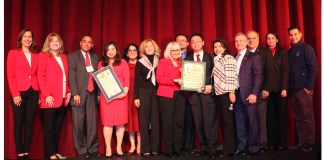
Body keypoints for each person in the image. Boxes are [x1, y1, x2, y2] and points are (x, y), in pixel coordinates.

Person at [7, 28, 39, 160]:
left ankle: (26, 151)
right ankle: (20, 152)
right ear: (20, 39)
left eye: (30, 37)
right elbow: (10, 75)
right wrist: (15, 94)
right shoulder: (13, 53)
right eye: (25, 36)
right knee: (19, 122)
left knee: (30, 123)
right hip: (18, 92)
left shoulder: (36, 55)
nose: (28, 39)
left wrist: (40, 95)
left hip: (33, 92)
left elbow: (37, 75)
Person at [37, 33, 71, 159]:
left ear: (60, 43)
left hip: (62, 97)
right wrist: (47, 95)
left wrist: (68, 91)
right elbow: (41, 76)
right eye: (52, 41)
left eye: (57, 41)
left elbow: (65, 77)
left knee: (57, 127)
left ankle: (55, 152)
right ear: (48, 43)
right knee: (49, 127)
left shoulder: (64, 57)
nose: (55, 43)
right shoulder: (43, 56)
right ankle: (51, 153)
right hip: (49, 98)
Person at [185, 33, 218, 159]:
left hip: (208, 95)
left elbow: (217, 75)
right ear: (190, 44)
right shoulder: (187, 59)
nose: (195, 44)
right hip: (194, 95)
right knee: (198, 122)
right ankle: (204, 146)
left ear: (203, 42)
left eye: (198, 41)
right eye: (193, 42)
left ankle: (212, 148)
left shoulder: (211, 57)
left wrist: (212, 86)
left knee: (210, 122)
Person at [67, 36, 101, 159]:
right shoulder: (72, 56)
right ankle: (82, 150)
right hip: (79, 95)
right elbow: (72, 76)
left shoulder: (95, 57)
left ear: (92, 45)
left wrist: (98, 94)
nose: (87, 44)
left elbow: (99, 77)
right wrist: (75, 93)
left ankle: (92, 149)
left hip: (92, 94)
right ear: (80, 43)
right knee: (78, 124)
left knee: (92, 123)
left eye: (90, 42)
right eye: (85, 42)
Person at [287, 26, 318, 152]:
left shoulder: (306, 48)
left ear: (300, 34)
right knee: (298, 117)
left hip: (304, 89)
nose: (293, 37)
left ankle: (309, 142)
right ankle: (301, 141)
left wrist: (308, 87)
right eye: (291, 35)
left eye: (295, 34)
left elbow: (313, 69)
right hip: (293, 90)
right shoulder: (290, 51)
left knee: (307, 116)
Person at [99, 41, 130, 158]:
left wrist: (125, 92)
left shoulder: (123, 62)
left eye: (113, 49)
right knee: (107, 123)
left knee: (120, 122)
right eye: (108, 49)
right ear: (105, 52)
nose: (111, 51)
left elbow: (127, 79)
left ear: (116, 50)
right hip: (106, 98)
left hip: (121, 96)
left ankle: (118, 146)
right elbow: (101, 82)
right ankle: (108, 147)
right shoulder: (101, 64)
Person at [234, 33, 263, 158]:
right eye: (236, 41)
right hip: (237, 94)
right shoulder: (234, 58)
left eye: (241, 41)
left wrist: (254, 93)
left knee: (252, 122)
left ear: (246, 42)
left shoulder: (254, 57)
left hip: (249, 95)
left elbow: (259, 76)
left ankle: (254, 148)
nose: (238, 43)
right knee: (240, 123)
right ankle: (242, 147)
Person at [246, 30, 275, 152]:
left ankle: (262, 144)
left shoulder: (265, 51)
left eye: (254, 38)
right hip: (246, 92)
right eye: (249, 38)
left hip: (261, 90)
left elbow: (270, 71)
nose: (251, 41)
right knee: (250, 119)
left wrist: (266, 88)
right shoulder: (244, 52)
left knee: (261, 118)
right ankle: (251, 143)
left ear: (258, 40)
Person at [156, 42, 185, 158]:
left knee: (178, 122)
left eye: (177, 50)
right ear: (169, 51)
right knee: (168, 123)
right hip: (166, 95)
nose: (175, 52)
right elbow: (159, 78)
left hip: (180, 95)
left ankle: (177, 150)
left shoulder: (182, 63)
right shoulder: (163, 62)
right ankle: (169, 150)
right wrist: (174, 80)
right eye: (173, 50)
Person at [134, 39, 160, 157]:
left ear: (155, 48)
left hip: (157, 92)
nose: (149, 48)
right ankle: (146, 149)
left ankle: (155, 148)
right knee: (143, 121)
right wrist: (136, 97)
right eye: (146, 46)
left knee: (155, 120)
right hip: (143, 92)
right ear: (143, 49)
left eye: (151, 46)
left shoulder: (159, 61)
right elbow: (136, 81)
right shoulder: (140, 62)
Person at [211, 39, 237, 158]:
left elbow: (231, 76)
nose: (217, 49)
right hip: (219, 94)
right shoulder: (216, 59)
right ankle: (227, 147)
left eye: (220, 46)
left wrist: (231, 92)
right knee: (224, 121)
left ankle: (229, 150)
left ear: (225, 48)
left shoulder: (229, 58)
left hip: (227, 93)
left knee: (228, 122)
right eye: (215, 47)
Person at [265, 32, 289, 150]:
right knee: (270, 117)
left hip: (280, 90)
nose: (270, 40)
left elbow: (285, 71)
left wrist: (284, 88)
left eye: (273, 38)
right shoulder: (264, 52)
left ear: (277, 40)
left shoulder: (283, 52)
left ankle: (281, 143)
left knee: (280, 116)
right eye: (268, 38)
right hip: (268, 90)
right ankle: (271, 143)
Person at [175, 34, 195, 153]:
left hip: (190, 93)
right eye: (178, 40)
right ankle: (178, 146)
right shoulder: (170, 57)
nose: (181, 42)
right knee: (177, 120)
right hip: (176, 93)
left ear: (188, 43)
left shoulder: (193, 56)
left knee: (189, 121)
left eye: (183, 40)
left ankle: (188, 147)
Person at [123, 43, 141, 155]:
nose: (132, 52)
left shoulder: (142, 64)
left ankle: (140, 144)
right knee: (129, 121)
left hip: (138, 96)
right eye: (130, 50)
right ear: (127, 53)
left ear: (138, 52)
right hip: (126, 96)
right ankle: (132, 145)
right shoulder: (123, 64)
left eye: (135, 50)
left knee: (138, 120)